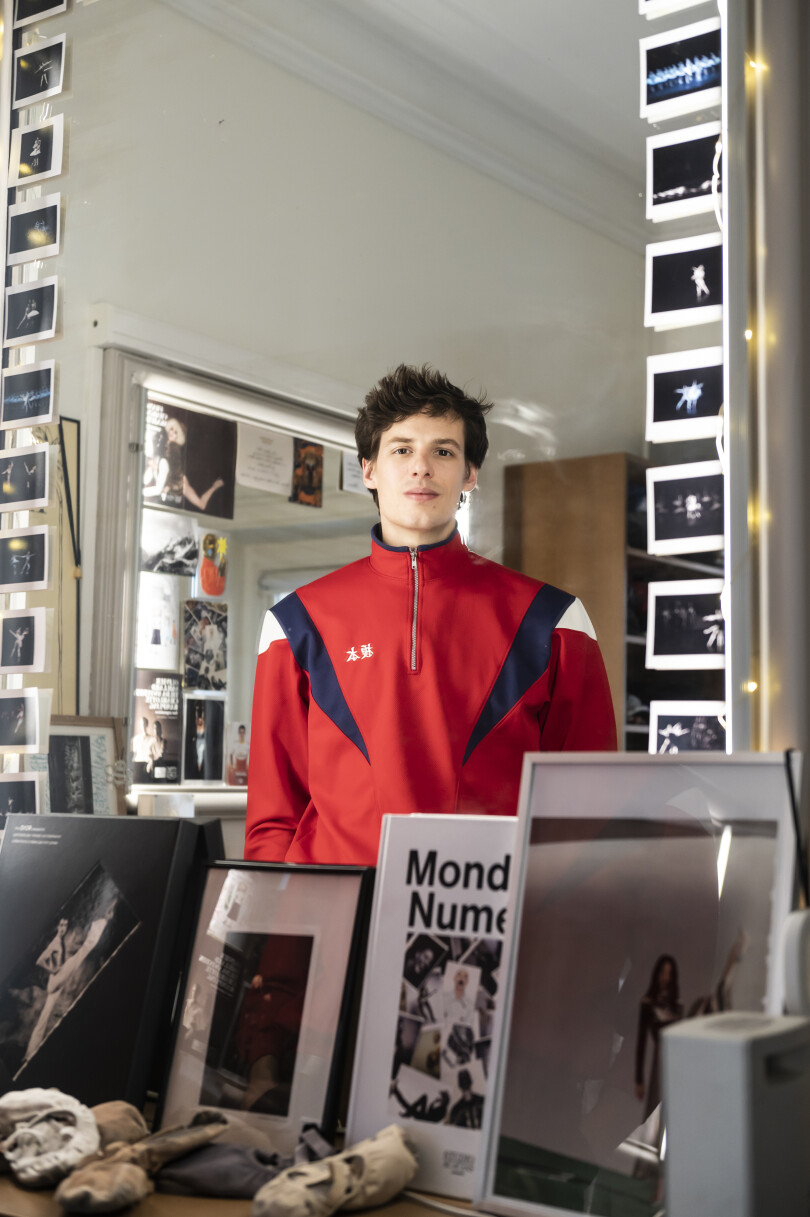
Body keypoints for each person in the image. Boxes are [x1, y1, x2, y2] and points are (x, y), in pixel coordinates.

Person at [245, 364, 616, 867]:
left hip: (481, 918)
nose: (422, 467)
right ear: (370, 470)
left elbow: (585, 810)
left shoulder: (553, 621)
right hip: (337, 915)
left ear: (469, 474)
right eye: (402, 450)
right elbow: (274, 818)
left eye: (443, 451)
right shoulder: (295, 624)